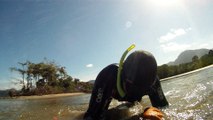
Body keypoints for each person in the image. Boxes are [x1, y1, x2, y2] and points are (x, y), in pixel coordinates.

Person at [83, 45, 169, 120]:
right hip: (113, 93)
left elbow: (164, 108)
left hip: (132, 99)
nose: (136, 94)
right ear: (122, 76)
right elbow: (91, 117)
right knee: (104, 115)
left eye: (143, 90)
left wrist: (153, 111)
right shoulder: (108, 77)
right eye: (133, 89)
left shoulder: (153, 82)